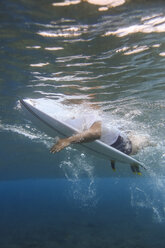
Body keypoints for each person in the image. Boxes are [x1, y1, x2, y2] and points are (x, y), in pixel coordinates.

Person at [50, 114, 150, 174]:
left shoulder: (91, 112)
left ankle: (153, 143)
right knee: (131, 137)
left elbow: (95, 133)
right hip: (114, 139)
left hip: (124, 146)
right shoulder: (82, 114)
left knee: (140, 143)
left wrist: (68, 140)